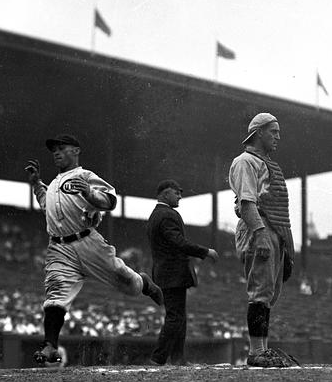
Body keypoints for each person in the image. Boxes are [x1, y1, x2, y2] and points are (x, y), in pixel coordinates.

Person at [26, 133, 163, 364]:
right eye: (54, 150)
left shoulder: (84, 175)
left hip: (88, 242)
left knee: (128, 284)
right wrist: (37, 184)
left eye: (62, 148)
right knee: (55, 296)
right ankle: (50, 345)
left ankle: (144, 282)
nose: (56, 152)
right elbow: (45, 205)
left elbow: (110, 200)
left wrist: (89, 193)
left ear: (76, 151)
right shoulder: (53, 186)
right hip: (59, 249)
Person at [228, 112, 299, 368]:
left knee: (269, 294)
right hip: (259, 227)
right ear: (258, 132)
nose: (278, 137)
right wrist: (260, 235)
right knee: (260, 292)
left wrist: (287, 248)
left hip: (275, 231)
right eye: (273, 132)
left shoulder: (267, 163)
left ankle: (263, 349)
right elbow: (247, 203)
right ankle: (256, 351)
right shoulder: (246, 161)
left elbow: (281, 210)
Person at [147, 179, 219, 366]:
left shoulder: (156, 214)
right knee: (176, 316)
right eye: (176, 192)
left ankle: (178, 358)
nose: (180, 196)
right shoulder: (167, 215)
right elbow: (178, 242)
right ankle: (159, 357)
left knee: (179, 316)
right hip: (172, 273)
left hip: (166, 272)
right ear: (164, 194)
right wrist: (205, 252)